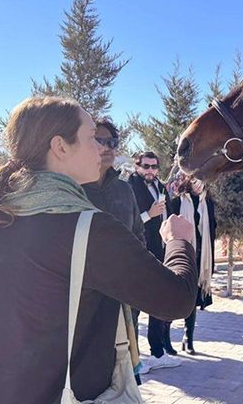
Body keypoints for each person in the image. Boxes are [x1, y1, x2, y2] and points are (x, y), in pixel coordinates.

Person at [0, 96, 198, 403]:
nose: (102, 148)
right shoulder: (88, 230)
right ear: (60, 147)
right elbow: (176, 299)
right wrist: (179, 241)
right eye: (91, 139)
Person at [82, 117, 147, 384]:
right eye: (99, 140)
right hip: (85, 304)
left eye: (112, 141)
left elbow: (138, 234)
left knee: (125, 375)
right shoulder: (72, 189)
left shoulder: (124, 189)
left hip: (124, 298)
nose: (107, 147)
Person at [127, 151, 182, 370]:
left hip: (161, 253)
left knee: (158, 303)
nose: (150, 171)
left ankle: (158, 353)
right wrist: (149, 214)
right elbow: (127, 222)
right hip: (140, 254)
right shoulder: (129, 187)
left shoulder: (160, 186)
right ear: (137, 166)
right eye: (146, 166)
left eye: (154, 167)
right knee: (136, 307)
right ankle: (135, 360)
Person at [168, 174, 216, 355]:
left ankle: (188, 338)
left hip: (201, 255)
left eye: (202, 182)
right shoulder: (178, 202)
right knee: (175, 294)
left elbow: (212, 229)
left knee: (194, 295)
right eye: (195, 181)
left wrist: (210, 262)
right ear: (188, 181)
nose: (198, 185)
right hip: (182, 253)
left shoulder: (207, 203)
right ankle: (166, 337)